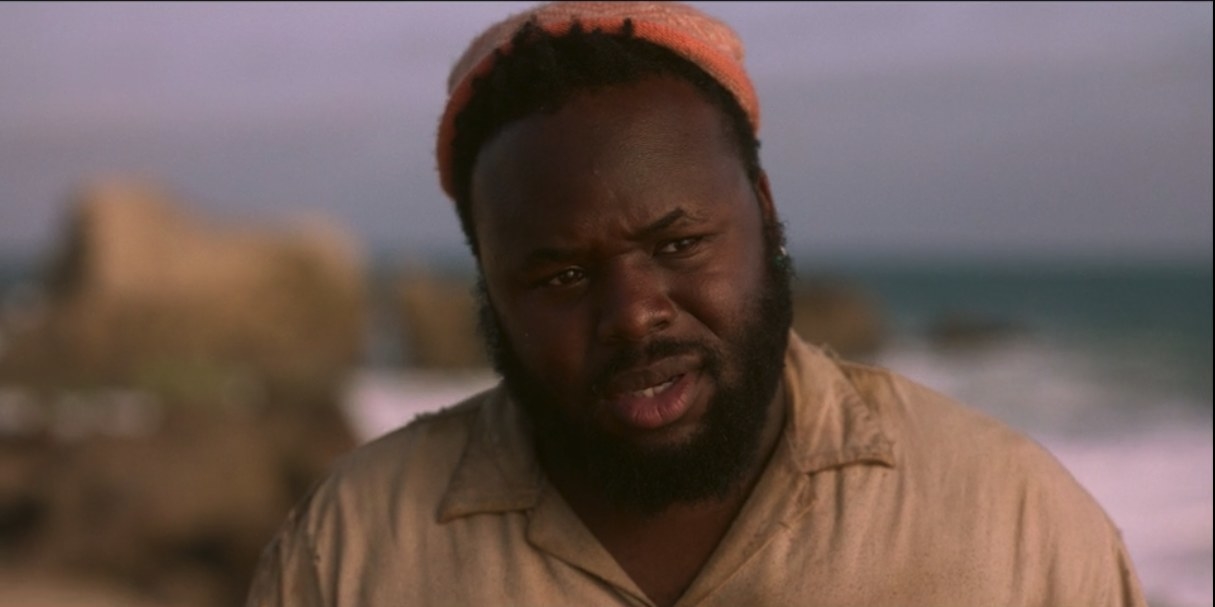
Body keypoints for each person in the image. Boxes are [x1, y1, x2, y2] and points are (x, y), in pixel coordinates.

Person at [247, 3, 1146, 606]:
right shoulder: (355, 551)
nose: (633, 315)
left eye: (678, 245)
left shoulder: (1009, 529)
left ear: (761, 211)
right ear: (489, 285)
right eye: (560, 276)